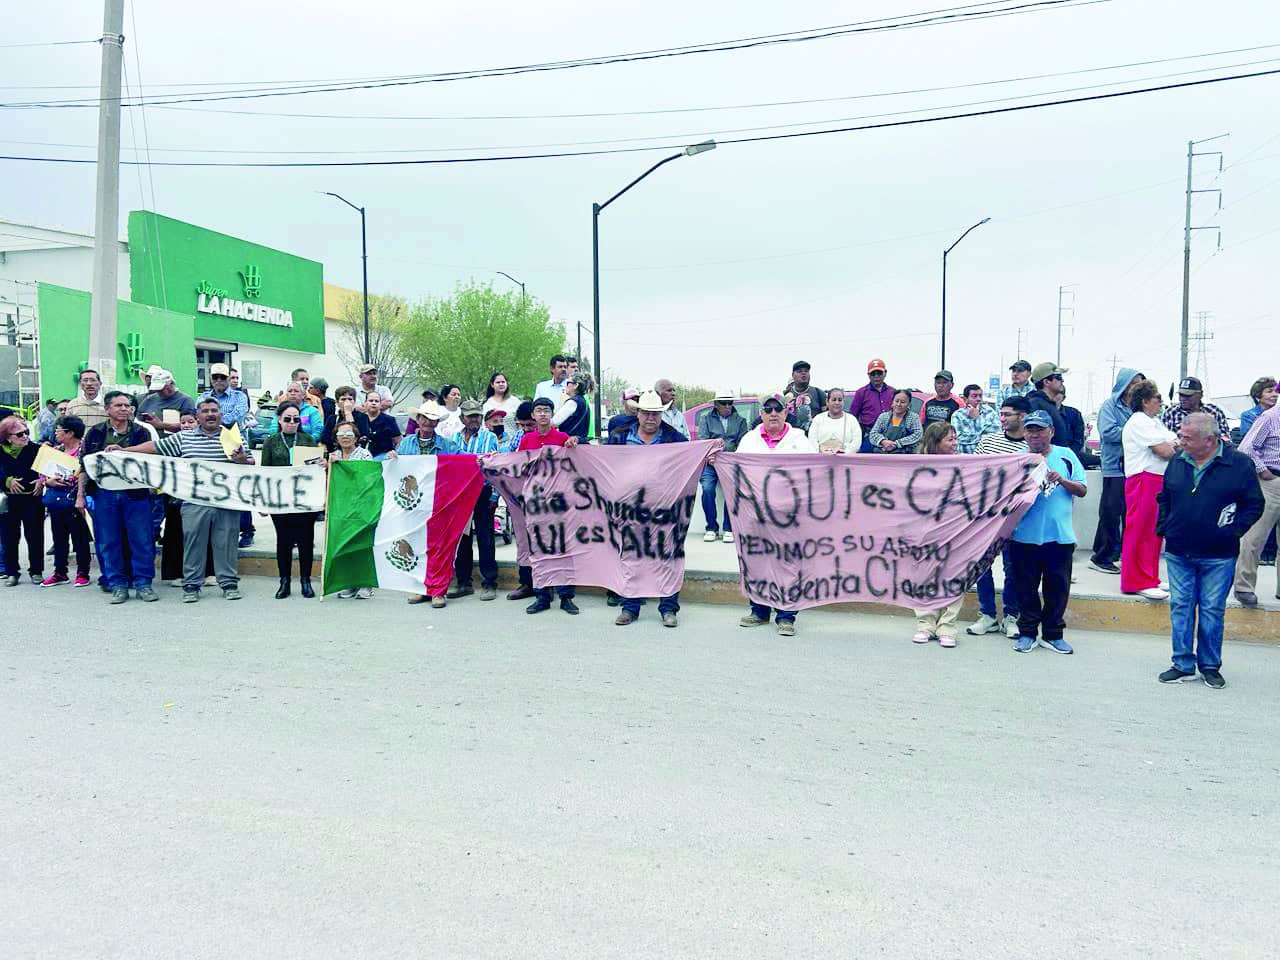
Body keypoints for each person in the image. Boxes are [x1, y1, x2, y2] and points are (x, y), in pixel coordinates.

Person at [1154, 413, 1264, 688]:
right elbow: (1165, 496)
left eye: (1187, 438)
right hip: (1179, 551)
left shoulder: (1239, 464)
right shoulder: (1178, 461)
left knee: (1212, 610)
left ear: (1210, 440)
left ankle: (1210, 666)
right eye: (1181, 436)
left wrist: (1233, 531)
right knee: (1181, 607)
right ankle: (1182, 664)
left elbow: (1254, 504)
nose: (1181, 442)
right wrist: (1165, 527)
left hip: (1219, 555)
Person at [120, 397, 253, 602]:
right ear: (197, 416)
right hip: (194, 503)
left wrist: (243, 460)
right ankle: (191, 585)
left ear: (221, 414)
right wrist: (124, 451)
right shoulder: (184, 437)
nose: (210, 414)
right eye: (205, 411)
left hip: (226, 503)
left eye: (214, 410)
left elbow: (250, 464)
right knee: (193, 544)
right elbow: (155, 447)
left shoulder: (234, 437)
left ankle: (229, 583)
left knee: (226, 544)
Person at [605, 390, 688, 627]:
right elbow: (605, 463)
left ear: (661, 415)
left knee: (668, 557)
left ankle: (668, 608)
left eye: (656, 413)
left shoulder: (675, 438)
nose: (651, 418)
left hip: (665, 507)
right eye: (646, 413)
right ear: (638, 413)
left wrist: (711, 450)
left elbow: (691, 458)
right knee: (631, 556)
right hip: (630, 506)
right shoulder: (620, 436)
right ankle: (630, 607)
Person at [737, 394, 817, 637]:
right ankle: (759, 611)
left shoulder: (799, 440)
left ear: (785, 412)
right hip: (756, 513)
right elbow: (736, 470)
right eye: (768, 409)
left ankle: (786, 615)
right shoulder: (749, 440)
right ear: (761, 414)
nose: (773, 413)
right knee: (757, 562)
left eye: (778, 409)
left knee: (788, 564)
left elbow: (815, 470)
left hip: (789, 515)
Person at [1009, 411, 1087, 654]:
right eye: (1030, 430)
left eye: (1040, 430)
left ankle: (1053, 635)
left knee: (1058, 589)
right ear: (1024, 433)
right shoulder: (1016, 459)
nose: (1035, 435)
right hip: (1023, 536)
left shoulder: (1066, 455)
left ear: (1051, 431)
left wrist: (1061, 480)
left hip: (1059, 536)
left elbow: (1082, 489)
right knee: (1025, 589)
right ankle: (1027, 633)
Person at [78, 391, 158, 601]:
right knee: (108, 541)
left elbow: (150, 457)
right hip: (104, 495)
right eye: (119, 405)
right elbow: (84, 465)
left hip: (136, 494)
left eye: (127, 405)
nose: (124, 409)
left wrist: (124, 451)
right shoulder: (95, 433)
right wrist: (80, 495)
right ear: (107, 409)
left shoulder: (141, 432)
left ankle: (143, 584)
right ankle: (117, 584)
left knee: (142, 540)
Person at [969, 396, 1031, 638]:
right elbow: (974, 473)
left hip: (1017, 518)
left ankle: (1010, 617)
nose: (1002, 418)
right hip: (987, 515)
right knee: (982, 567)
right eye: (1001, 414)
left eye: (1007, 414)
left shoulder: (1031, 447)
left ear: (1022, 416)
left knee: (1012, 568)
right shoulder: (988, 442)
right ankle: (987, 615)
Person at [513, 396, 581, 615]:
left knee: (564, 548)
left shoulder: (562, 437)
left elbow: (575, 464)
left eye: (547, 410)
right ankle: (542, 596)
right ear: (533, 415)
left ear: (552, 414)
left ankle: (566, 596)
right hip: (536, 502)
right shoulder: (527, 440)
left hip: (560, 501)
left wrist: (573, 443)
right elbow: (516, 465)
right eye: (539, 411)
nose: (542, 414)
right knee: (538, 548)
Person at [1121, 381, 1178, 601]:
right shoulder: (1139, 422)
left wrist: (1173, 444)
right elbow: (1165, 450)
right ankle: (1136, 581)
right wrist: (1173, 444)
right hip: (1143, 479)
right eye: (1157, 399)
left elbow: (1175, 442)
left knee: (1154, 531)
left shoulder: (1154, 422)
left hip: (1157, 479)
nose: (1161, 403)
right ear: (1145, 401)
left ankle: (1149, 576)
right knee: (1140, 529)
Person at [911, 423, 967, 647]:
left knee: (954, 577)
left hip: (956, 528)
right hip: (925, 530)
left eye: (955, 439)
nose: (955, 443)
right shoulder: (916, 465)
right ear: (935, 442)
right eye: (950, 440)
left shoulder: (965, 464)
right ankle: (925, 624)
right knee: (925, 576)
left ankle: (948, 626)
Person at [259, 400, 319, 600]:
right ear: (279, 420)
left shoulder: (307, 439)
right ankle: (284, 581)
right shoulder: (271, 441)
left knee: (305, 540)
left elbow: (315, 470)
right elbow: (265, 472)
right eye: (287, 419)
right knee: (283, 541)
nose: (292, 422)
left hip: (304, 499)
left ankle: (305, 581)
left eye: (296, 419)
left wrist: (320, 462)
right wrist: (264, 501)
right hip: (280, 498)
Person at [1089, 368, 1144, 574]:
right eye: (1134, 383)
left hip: (1135, 467)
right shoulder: (1110, 405)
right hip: (1114, 468)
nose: (1137, 387)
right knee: (1110, 512)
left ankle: (1120, 554)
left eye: (1140, 383)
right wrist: (1136, 432)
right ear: (1124, 384)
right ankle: (1101, 556)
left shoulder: (1140, 407)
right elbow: (1108, 432)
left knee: (1130, 514)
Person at [449, 399, 500, 603]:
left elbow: (495, 467)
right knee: (463, 539)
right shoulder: (454, 438)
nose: (474, 419)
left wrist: (495, 495)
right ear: (462, 418)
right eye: (470, 416)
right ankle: (464, 582)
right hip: (461, 493)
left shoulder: (490, 437)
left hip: (483, 491)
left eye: (478, 416)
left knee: (486, 538)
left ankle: (489, 582)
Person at [1232, 397, 1280, 607]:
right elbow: (1246, 448)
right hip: (1271, 482)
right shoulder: (1269, 417)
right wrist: (1263, 470)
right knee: (1254, 537)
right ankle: (1244, 587)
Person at [40, 415, 93, 588]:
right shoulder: (56, 451)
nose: (56, 433)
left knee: (80, 538)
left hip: (75, 500)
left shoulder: (85, 451)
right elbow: (42, 475)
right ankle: (60, 572)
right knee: (59, 538)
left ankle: (83, 572)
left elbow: (89, 474)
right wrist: (49, 481)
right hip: (56, 501)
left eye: (59, 430)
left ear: (70, 433)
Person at [697, 390, 749, 542]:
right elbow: (703, 441)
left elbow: (742, 444)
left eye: (730, 403)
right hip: (710, 462)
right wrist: (711, 455)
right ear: (716, 404)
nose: (727, 406)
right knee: (707, 489)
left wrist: (731, 458)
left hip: (731, 463)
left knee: (732, 490)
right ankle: (711, 528)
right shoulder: (705, 419)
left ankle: (729, 528)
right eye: (723, 403)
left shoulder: (741, 420)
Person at [0, 415, 45, 586]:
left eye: (26, 432)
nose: (25, 436)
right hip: (8, 500)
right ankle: (12, 572)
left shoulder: (36, 449)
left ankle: (36, 571)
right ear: (7, 438)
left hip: (32, 499)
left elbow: (49, 469)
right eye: (19, 434)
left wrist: (42, 480)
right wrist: (6, 480)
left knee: (35, 536)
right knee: (9, 537)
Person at [1161, 377, 1230, 438]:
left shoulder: (1214, 411)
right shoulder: (1170, 413)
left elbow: (1225, 437)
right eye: (1181, 395)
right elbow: (1165, 440)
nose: (1183, 398)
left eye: (1188, 395)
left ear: (1200, 394)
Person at [850, 359, 893, 452]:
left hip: (890, 435)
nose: (876, 376)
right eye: (873, 374)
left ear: (885, 373)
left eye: (879, 373)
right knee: (864, 459)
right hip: (868, 435)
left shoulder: (893, 392)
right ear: (868, 375)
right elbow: (852, 417)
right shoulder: (861, 393)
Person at [1026, 362, 1070, 446]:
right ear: (1046, 382)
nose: (1062, 381)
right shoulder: (1035, 404)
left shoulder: (1047, 404)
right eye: (1059, 377)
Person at [807, 387, 861, 454]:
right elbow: (812, 439)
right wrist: (820, 450)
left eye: (840, 400)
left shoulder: (852, 420)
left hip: (845, 457)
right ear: (827, 402)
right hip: (821, 457)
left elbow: (857, 442)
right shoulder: (818, 419)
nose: (837, 403)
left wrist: (845, 452)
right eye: (834, 400)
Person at [869, 389, 923, 454]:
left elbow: (918, 434)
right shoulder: (883, 416)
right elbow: (873, 434)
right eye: (896, 401)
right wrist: (883, 441)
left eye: (903, 402)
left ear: (909, 404)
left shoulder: (914, 417)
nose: (899, 404)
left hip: (905, 454)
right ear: (892, 402)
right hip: (883, 453)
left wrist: (897, 443)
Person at [950, 384, 999, 454]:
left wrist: (977, 419)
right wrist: (984, 436)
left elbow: (996, 436)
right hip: (965, 456)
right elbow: (959, 438)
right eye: (974, 396)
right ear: (965, 399)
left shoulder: (990, 412)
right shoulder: (957, 415)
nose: (979, 399)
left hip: (987, 455)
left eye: (980, 396)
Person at [199, 363, 249, 429]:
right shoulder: (203, 397)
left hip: (232, 434)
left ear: (228, 378)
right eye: (215, 377)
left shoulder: (240, 396)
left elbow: (237, 417)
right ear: (211, 379)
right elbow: (197, 416)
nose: (219, 380)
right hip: (207, 434)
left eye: (223, 377)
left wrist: (210, 421)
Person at [1056, 386, 1096, 468]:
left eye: (1057, 393)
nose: (1053, 396)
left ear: (1064, 397)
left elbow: (1078, 440)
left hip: (1071, 455)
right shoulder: (1040, 413)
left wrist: (1068, 457)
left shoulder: (1074, 414)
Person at [784, 361, 825, 430]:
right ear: (793, 375)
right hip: (791, 435)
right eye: (799, 371)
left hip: (813, 434)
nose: (803, 373)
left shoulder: (819, 393)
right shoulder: (785, 395)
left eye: (806, 371)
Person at [356, 394, 401, 459]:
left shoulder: (389, 420)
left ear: (380, 404)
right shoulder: (358, 419)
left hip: (384, 457)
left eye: (376, 401)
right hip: (361, 457)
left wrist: (395, 453)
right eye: (371, 401)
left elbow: (398, 441)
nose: (373, 403)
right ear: (365, 403)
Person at [551, 373, 592, 441]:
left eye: (568, 383)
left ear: (575, 385)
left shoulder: (573, 402)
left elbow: (554, 423)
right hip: (579, 442)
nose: (565, 385)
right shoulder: (583, 402)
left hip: (570, 443)